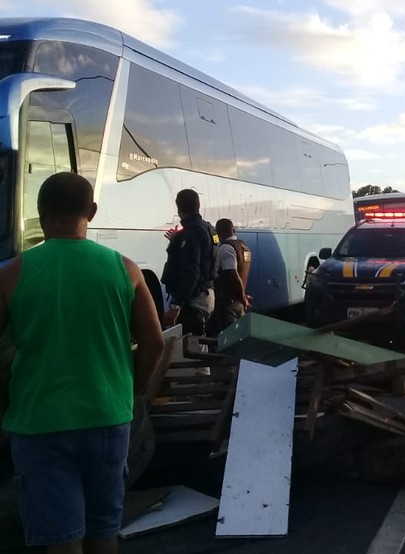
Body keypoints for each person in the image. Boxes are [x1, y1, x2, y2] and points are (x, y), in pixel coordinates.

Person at [0, 172, 165, 553]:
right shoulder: (126, 270)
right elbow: (155, 343)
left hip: (40, 422)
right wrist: (130, 393)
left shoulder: (11, 274)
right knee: (103, 531)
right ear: (91, 211)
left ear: (40, 213)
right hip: (109, 418)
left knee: (61, 539)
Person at [161, 189, 219, 335]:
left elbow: (191, 272)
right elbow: (206, 256)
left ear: (178, 208)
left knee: (192, 347)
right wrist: (178, 241)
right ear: (198, 205)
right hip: (207, 294)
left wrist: (176, 305)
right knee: (200, 342)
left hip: (194, 299)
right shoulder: (209, 229)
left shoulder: (191, 233)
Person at [206, 218, 252, 336]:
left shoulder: (226, 248)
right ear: (234, 230)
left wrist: (242, 297)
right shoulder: (243, 246)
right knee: (237, 338)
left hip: (228, 304)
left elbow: (232, 275)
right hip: (237, 302)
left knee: (227, 339)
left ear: (218, 232)